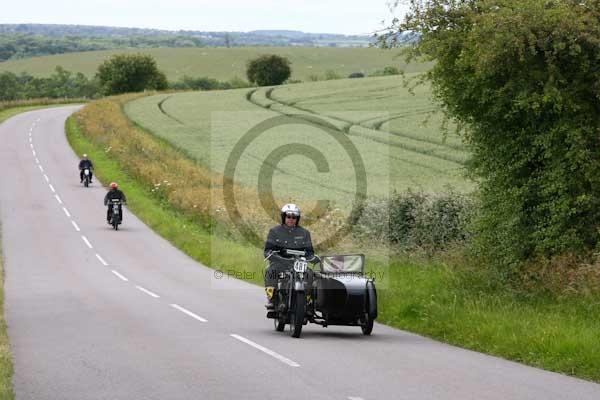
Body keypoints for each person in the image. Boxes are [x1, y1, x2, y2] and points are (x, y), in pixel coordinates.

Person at [263, 203, 314, 309]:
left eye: (294, 217)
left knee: (310, 274)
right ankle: (272, 298)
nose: (291, 219)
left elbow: (310, 252)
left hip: (298, 264)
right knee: (270, 271)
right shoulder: (274, 231)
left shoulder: (305, 233)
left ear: (297, 219)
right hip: (280, 262)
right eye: (288, 216)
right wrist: (271, 255)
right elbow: (267, 250)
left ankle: (307, 302)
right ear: (284, 217)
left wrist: (313, 258)